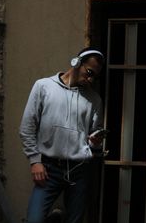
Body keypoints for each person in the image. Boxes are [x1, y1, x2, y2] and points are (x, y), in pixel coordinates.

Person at [19, 48, 106, 223]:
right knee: (34, 219)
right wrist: (35, 161)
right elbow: (27, 128)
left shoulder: (94, 99)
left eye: (95, 76)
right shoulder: (43, 86)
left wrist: (95, 142)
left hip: (80, 169)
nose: (90, 79)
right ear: (76, 62)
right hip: (50, 169)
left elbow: (94, 142)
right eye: (89, 72)